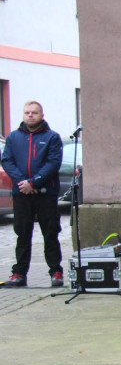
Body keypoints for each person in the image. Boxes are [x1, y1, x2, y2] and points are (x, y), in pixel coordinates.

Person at [1, 101, 64, 288]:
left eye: (34, 112)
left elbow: (53, 163)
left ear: (41, 115)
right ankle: (19, 273)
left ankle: (56, 272)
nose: (30, 115)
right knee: (22, 234)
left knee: (50, 233)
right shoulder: (13, 138)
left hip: (46, 194)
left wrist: (33, 182)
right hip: (21, 194)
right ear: (23, 115)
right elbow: (7, 161)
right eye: (27, 112)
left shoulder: (52, 137)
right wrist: (24, 183)